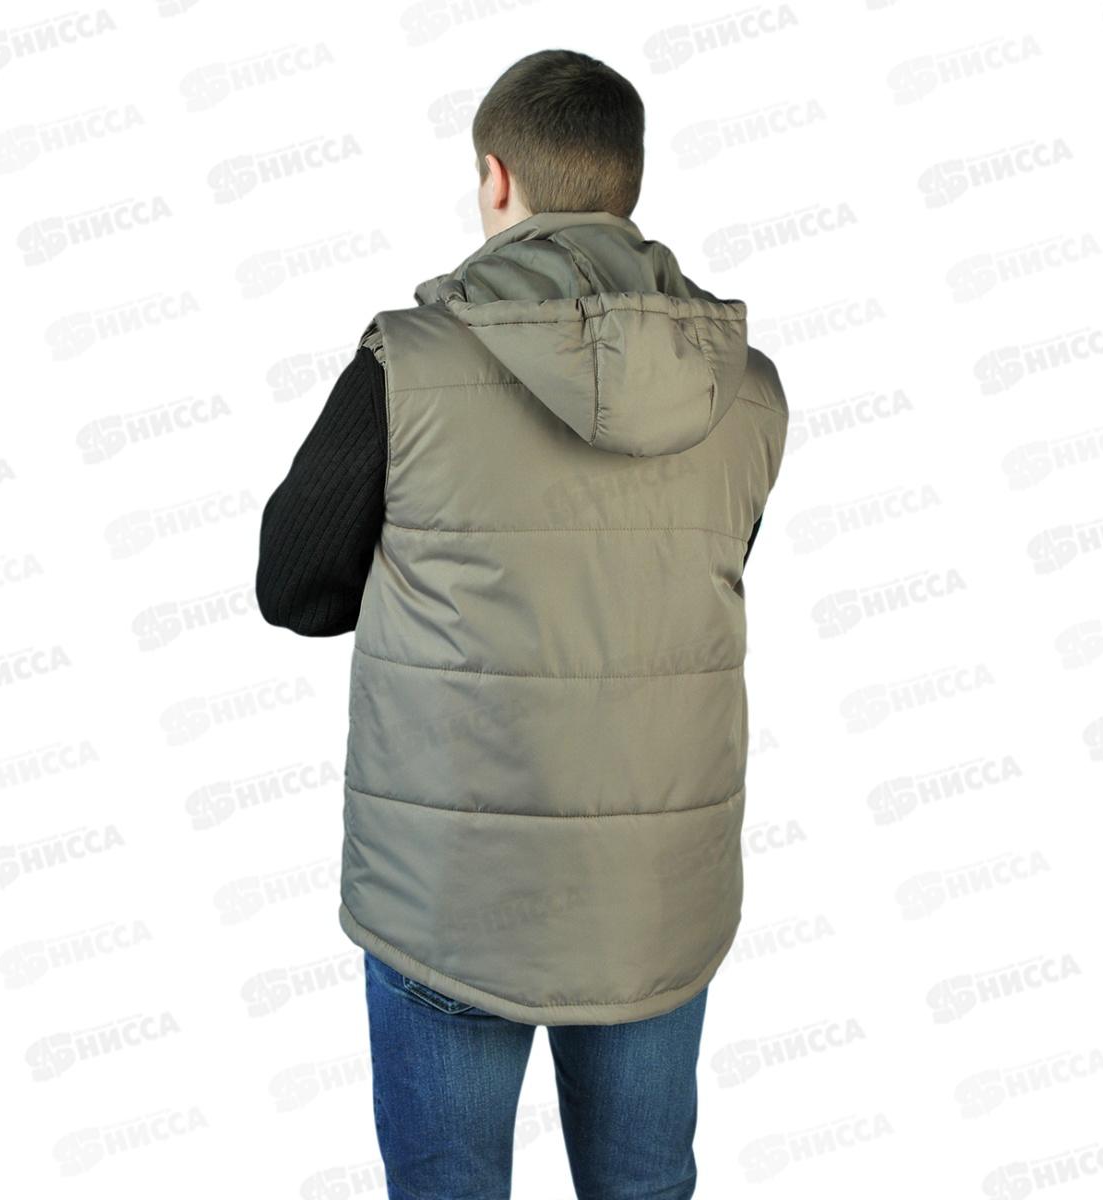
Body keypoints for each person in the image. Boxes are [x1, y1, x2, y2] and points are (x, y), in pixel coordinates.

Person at [257, 47, 788, 1200]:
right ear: (626, 181)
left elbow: (293, 590)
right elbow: (698, 578)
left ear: (496, 178)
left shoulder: (406, 365)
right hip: (655, 896)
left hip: (449, 894)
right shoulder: (745, 388)